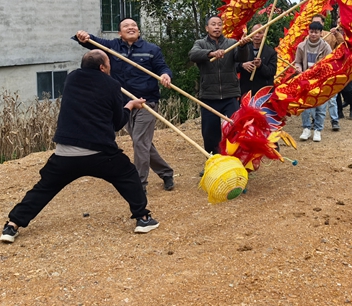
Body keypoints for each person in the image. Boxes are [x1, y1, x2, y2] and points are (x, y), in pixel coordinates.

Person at [0, 49, 159, 243]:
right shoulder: (112, 85)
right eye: (108, 64)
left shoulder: (72, 79)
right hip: (100, 153)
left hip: (65, 153)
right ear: (102, 67)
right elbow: (117, 124)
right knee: (128, 175)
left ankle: (12, 225)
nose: (110, 67)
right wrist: (130, 105)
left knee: (44, 188)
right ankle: (143, 218)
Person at [75, 20, 175, 192]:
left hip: (146, 102)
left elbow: (162, 68)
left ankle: (139, 184)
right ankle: (166, 173)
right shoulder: (112, 47)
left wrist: (165, 75)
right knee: (142, 143)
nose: (131, 28)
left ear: (139, 31)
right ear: (119, 33)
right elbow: (92, 43)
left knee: (139, 142)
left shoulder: (152, 50)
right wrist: (83, 37)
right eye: (126, 26)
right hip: (124, 103)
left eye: (134, 26)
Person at [189, 16, 252, 154]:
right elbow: (193, 54)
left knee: (235, 128)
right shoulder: (200, 43)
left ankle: (235, 158)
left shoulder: (231, 43)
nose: (217, 27)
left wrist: (242, 47)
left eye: (219, 24)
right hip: (209, 96)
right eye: (213, 24)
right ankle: (214, 160)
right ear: (207, 28)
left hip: (230, 94)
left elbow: (242, 58)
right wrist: (211, 53)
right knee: (210, 132)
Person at [294, 21, 332, 141]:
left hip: (320, 81)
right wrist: (298, 68)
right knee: (305, 105)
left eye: (316, 32)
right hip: (305, 80)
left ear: (321, 33)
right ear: (308, 32)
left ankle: (317, 130)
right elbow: (297, 62)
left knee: (320, 106)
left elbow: (330, 64)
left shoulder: (326, 47)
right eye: (311, 32)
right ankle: (306, 129)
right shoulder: (301, 46)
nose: (313, 34)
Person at [237, 23, 278, 97]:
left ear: (264, 34)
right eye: (255, 32)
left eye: (260, 33)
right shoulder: (243, 49)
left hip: (263, 94)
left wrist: (261, 66)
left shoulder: (271, 52)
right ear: (251, 34)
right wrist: (242, 65)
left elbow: (271, 72)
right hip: (246, 92)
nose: (257, 35)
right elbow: (234, 67)